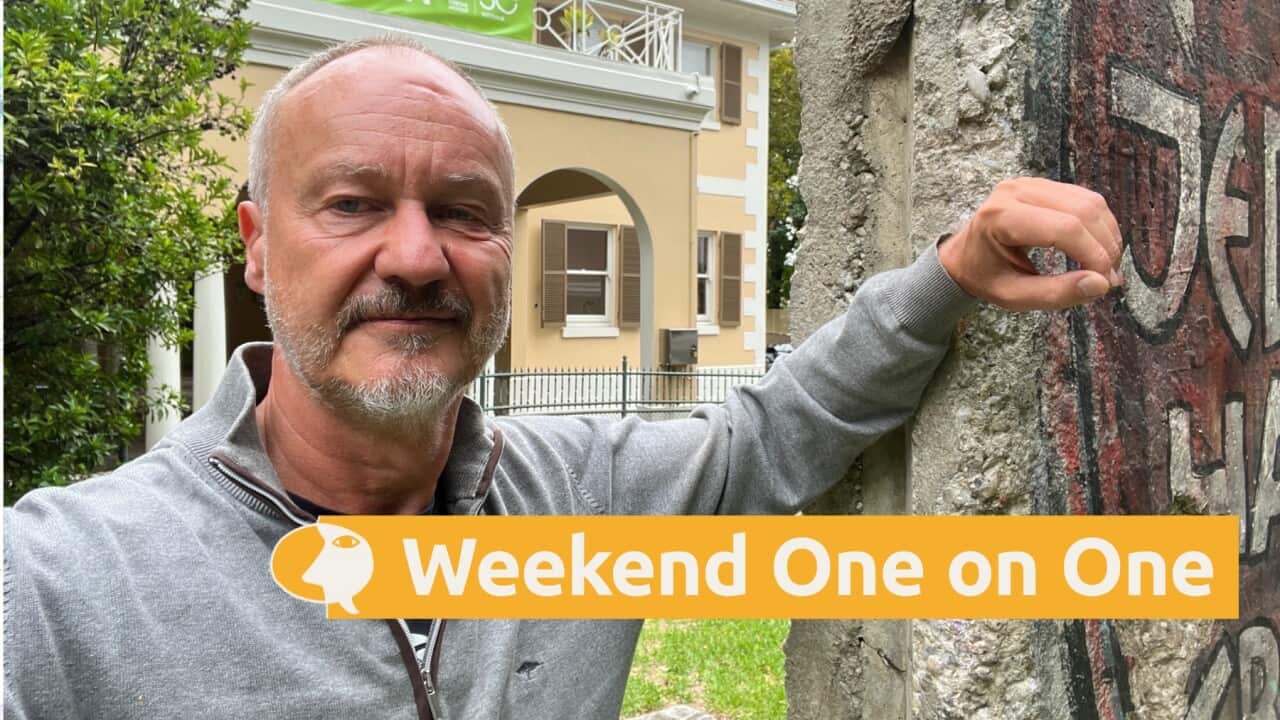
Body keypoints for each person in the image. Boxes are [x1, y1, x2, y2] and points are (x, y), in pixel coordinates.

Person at [3, 36, 1124, 720]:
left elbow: (778, 430)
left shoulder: (581, 497)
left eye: (461, 213)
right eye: (350, 205)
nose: (412, 255)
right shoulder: (59, 583)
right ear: (255, 244)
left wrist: (949, 275)